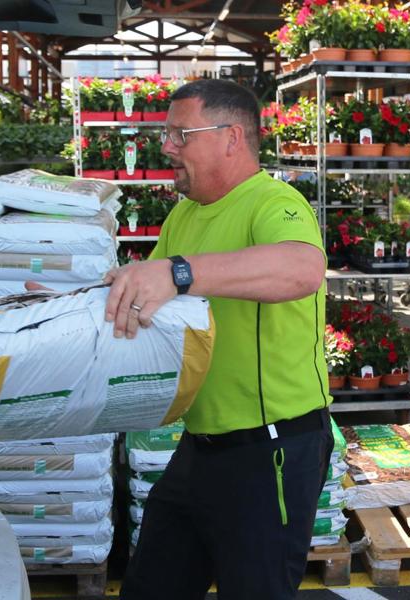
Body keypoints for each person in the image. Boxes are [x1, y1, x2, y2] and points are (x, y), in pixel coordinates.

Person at [109, 79, 334, 599]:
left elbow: (302, 269)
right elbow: (158, 293)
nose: (167, 147)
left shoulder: (274, 202)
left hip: (271, 451)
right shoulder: (185, 212)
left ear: (232, 138)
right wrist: (78, 301)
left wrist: (179, 273)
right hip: (200, 448)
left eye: (179, 134)